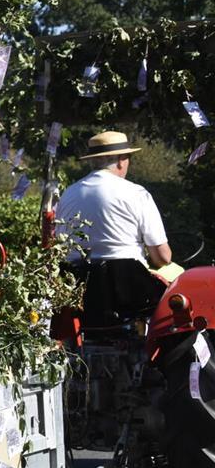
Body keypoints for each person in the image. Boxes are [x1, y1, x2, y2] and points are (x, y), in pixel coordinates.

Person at [55, 131, 172, 325]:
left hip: (79, 293)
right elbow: (162, 257)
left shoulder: (68, 194)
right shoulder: (136, 194)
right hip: (132, 293)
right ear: (121, 160)